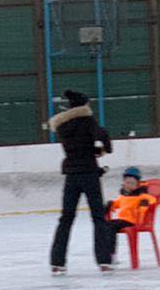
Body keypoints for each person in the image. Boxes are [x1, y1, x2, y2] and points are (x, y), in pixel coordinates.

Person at [45, 88, 114, 274]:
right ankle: (104, 260)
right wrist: (105, 149)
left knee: (66, 218)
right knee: (98, 217)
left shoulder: (62, 125)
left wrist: (93, 151)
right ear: (83, 105)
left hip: (71, 175)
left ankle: (57, 262)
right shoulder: (87, 120)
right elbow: (102, 134)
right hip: (89, 173)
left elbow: (77, 147)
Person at [102, 167, 157, 253]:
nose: (129, 185)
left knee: (111, 227)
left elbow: (152, 199)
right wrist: (111, 204)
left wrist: (145, 202)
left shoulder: (140, 194)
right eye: (127, 182)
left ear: (137, 184)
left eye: (132, 183)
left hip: (132, 221)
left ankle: (111, 253)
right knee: (105, 225)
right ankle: (107, 251)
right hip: (122, 220)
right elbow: (117, 203)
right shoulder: (124, 195)